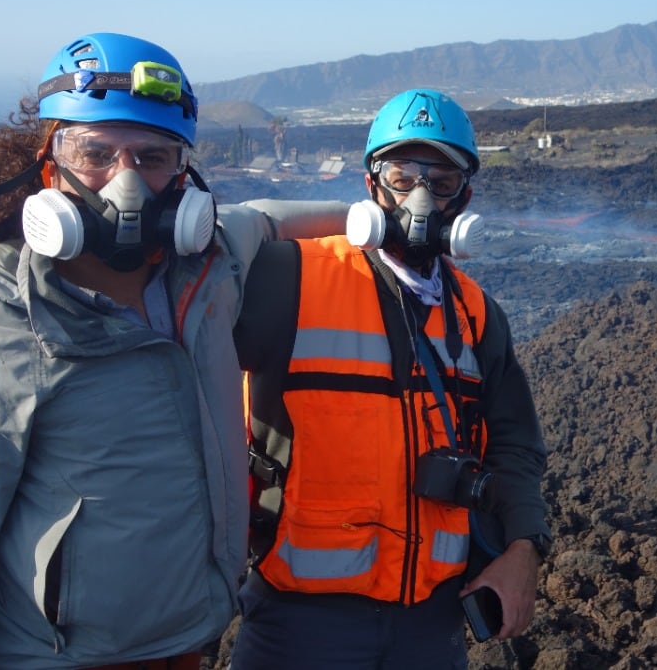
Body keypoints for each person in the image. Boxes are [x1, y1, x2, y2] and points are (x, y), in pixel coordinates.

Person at [0, 33, 346, 669]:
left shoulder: (206, 276)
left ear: (183, 174)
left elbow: (264, 217)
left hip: (190, 642)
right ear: (49, 162)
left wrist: (381, 211)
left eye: (152, 157)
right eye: (95, 152)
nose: (126, 183)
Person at [231, 89, 552, 668]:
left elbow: (515, 445)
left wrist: (525, 547)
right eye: (403, 176)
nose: (421, 197)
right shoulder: (291, 277)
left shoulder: (477, 314)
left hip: (431, 627)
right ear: (371, 184)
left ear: (467, 196)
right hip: (295, 626)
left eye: (442, 179)